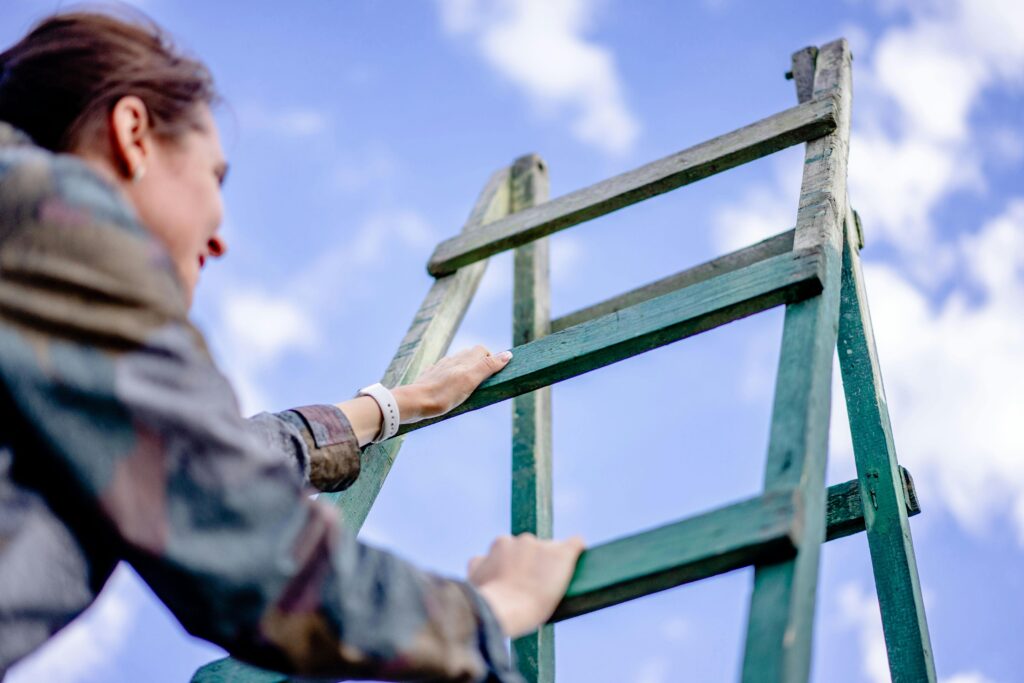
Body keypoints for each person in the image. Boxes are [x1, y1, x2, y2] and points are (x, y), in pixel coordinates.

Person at [0, 9, 585, 682]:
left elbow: (184, 457)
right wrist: (490, 609)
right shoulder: (50, 210)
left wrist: (390, 406)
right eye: (214, 177)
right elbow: (240, 532)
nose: (220, 239)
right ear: (133, 134)